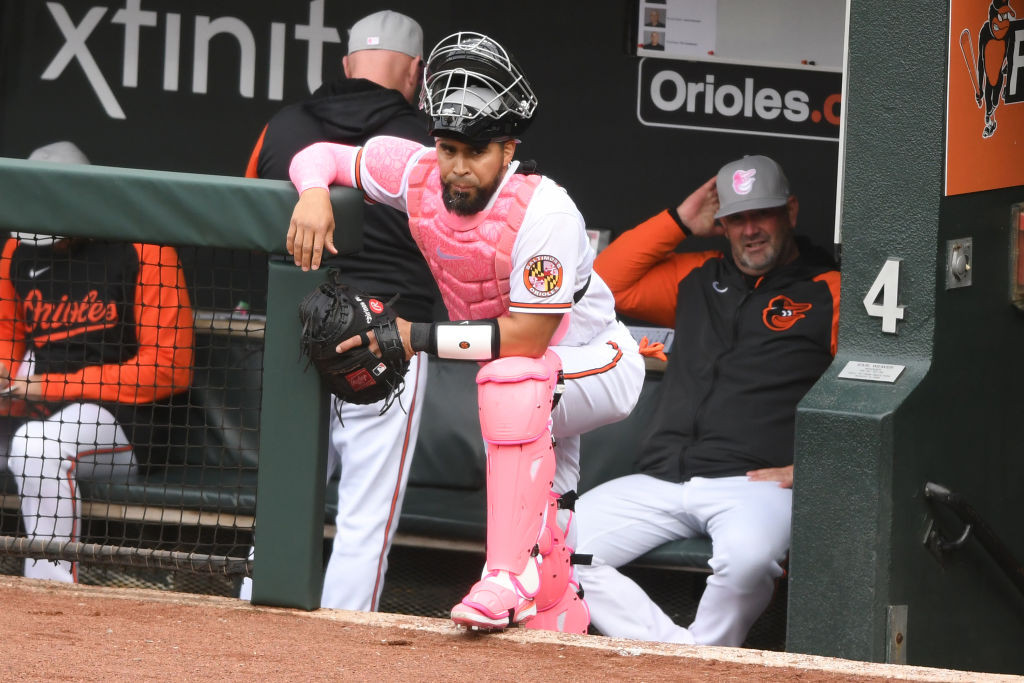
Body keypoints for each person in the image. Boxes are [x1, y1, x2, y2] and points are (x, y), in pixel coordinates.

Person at [285, 31, 646, 633]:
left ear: (508, 149)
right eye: (448, 147)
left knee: (511, 377)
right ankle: (554, 605)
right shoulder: (418, 175)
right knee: (552, 538)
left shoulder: (546, 213)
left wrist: (413, 336)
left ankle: (503, 575)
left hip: (599, 360)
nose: (456, 166)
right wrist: (316, 194)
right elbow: (318, 154)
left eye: (474, 151)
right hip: (536, 388)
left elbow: (530, 338)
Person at [573, 155, 840, 647]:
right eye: (737, 218)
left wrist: (816, 468)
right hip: (663, 477)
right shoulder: (697, 276)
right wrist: (678, 221)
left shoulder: (827, 291)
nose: (751, 230)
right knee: (555, 547)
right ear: (721, 226)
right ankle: (685, 659)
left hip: (755, 483)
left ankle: (698, 660)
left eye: (763, 213)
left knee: (749, 564)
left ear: (791, 212)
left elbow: (872, 387)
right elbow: (605, 280)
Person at [238, 10, 439, 613]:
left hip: (298, 324)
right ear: (416, 73)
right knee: (363, 522)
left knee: (281, 504)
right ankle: (339, 658)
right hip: (384, 334)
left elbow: (239, 221)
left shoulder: (283, 125)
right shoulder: (433, 141)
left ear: (347, 65)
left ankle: (249, 635)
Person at [0, 141, 195, 583]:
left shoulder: (145, 247)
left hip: (128, 421)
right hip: (39, 407)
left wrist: (47, 387)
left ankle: (49, 591)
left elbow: (169, 368)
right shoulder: (17, 251)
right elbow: (7, 338)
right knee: (34, 437)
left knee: (37, 447)